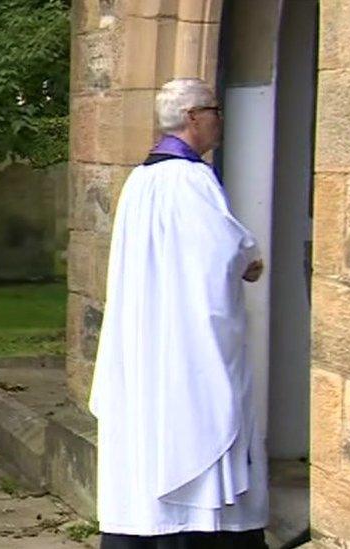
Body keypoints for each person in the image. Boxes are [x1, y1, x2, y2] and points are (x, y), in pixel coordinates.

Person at [89, 78, 268, 549]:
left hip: (147, 337)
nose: (220, 120)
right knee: (196, 422)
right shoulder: (190, 181)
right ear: (192, 117)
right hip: (185, 343)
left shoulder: (139, 180)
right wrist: (249, 260)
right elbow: (220, 255)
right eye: (214, 110)